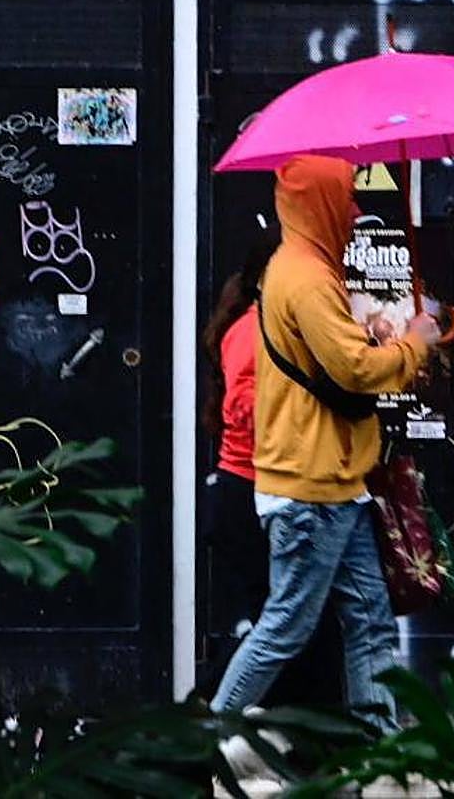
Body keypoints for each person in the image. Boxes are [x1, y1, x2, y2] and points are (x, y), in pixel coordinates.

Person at [210, 156, 441, 735]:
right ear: (321, 202)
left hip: (335, 482)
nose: (357, 209)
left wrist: (371, 335)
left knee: (371, 619)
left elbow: (332, 357)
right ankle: (206, 738)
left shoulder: (302, 268)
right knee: (286, 626)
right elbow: (356, 371)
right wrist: (414, 343)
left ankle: (380, 745)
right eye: (346, 197)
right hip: (312, 488)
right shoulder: (308, 277)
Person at [200, 231, 278, 684]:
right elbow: (241, 406)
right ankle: (211, 715)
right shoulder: (252, 329)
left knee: (276, 619)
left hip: (252, 488)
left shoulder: (262, 325)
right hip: (247, 490)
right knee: (275, 623)